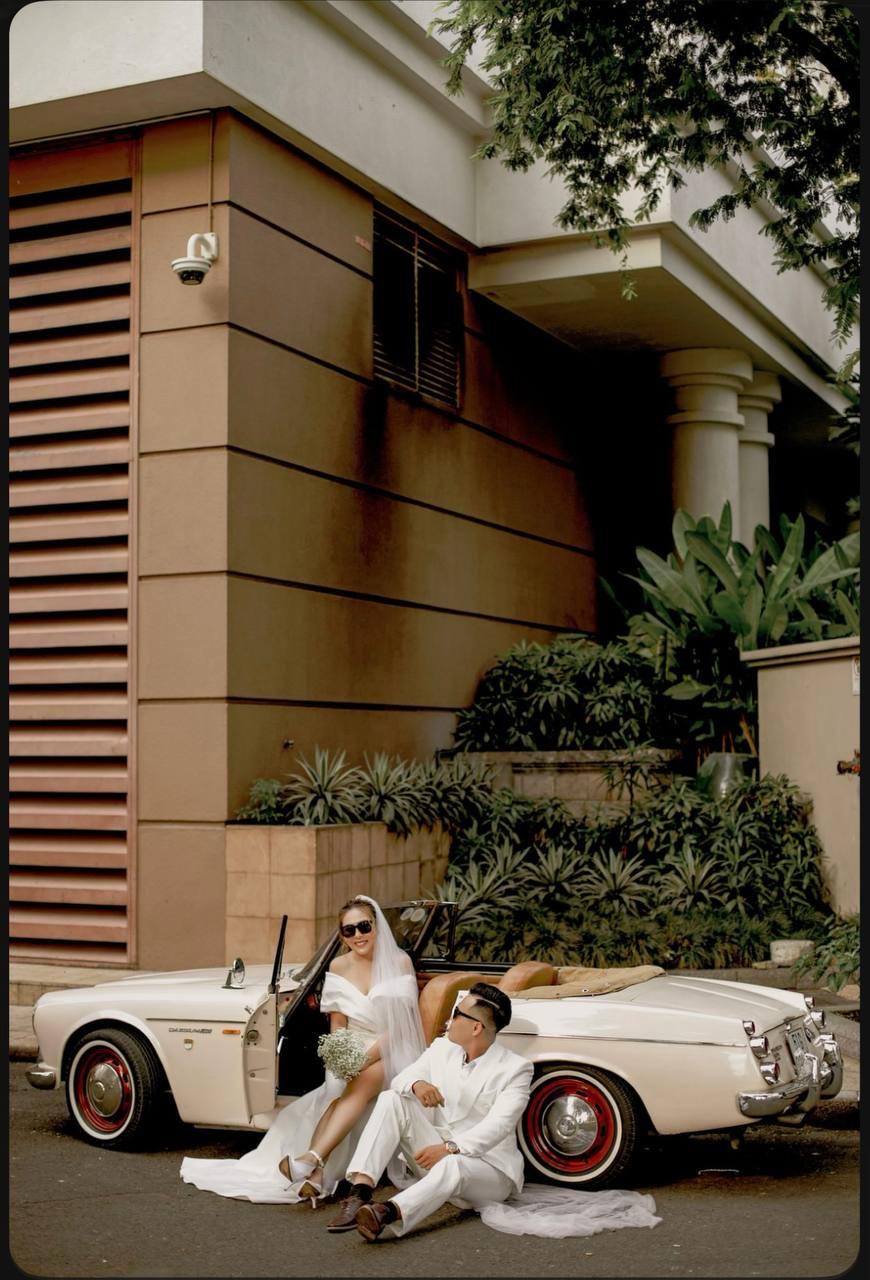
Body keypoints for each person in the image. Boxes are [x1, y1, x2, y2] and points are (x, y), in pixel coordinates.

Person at [180, 895, 425, 1205]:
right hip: (352, 1048)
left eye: (364, 926)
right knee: (338, 1088)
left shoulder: (399, 962)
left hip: (393, 1046)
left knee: (361, 1082)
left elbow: (401, 1026)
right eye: (349, 931)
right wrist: (341, 1056)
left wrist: (366, 1058)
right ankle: (313, 1171)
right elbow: (338, 1024)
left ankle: (310, 1164)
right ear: (341, 936)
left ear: (376, 926)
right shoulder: (338, 965)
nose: (358, 936)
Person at [325, 981, 533, 1240]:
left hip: (488, 1172)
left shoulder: (516, 1069)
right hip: (433, 1156)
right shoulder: (444, 1046)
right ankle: (360, 1191)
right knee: (392, 1098)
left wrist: (448, 1148)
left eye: (456, 1014)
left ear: (476, 1027)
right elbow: (403, 1078)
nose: (449, 1019)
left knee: (455, 1165)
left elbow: (499, 1126)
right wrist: (417, 1084)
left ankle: (386, 1212)